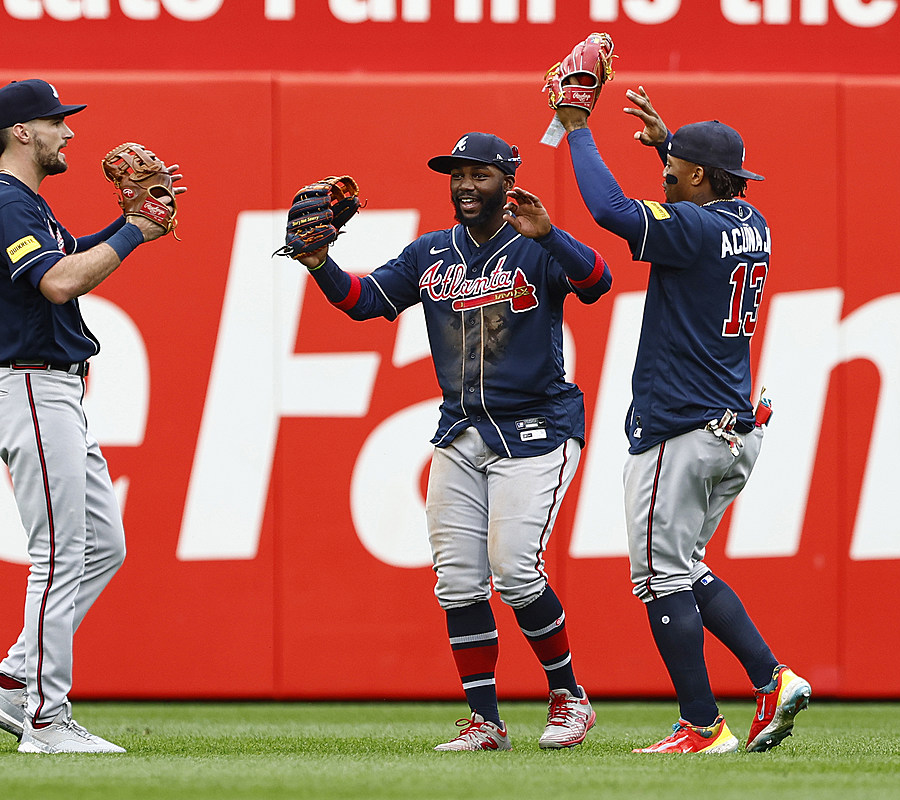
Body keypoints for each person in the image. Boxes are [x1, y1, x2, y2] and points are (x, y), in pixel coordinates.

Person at [291, 132, 612, 751]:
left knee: (516, 571)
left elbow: (597, 281)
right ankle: (485, 722)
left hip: (537, 427)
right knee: (459, 581)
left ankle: (569, 698)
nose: (465, 185)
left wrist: (551, 235)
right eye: (457, 174)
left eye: (480, 174)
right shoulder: (431, 252)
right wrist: (317, 264)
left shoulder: (536, 244)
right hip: (461, 430)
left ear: (507, 181)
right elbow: (362, 302)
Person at [553, 89, 811, 754]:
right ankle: (770, 678)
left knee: (658, 577)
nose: (665, 173)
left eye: (676, 168)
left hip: (682, 427)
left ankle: (702, 725)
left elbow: (611, 211)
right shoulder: (754, 221)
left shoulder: (694, 229)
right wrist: (675, 149)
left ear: (699, 177)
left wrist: (578, 127)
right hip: (735, 431)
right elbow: (696, 208)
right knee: (685, 564)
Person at [0, 78, 183, 754]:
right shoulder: (6, 202)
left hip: (49, 392)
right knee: (58, 555)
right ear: (22, 131)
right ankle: (44, 720)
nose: (70, 134)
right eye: (57, 122)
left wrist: (131, 229)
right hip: (31, 389)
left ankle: (11, 681)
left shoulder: (23, 204)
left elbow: (64, 257)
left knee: (102, 544)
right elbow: (58, 282)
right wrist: (137, 230)